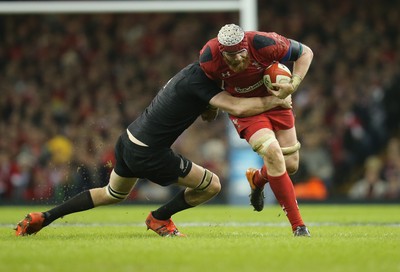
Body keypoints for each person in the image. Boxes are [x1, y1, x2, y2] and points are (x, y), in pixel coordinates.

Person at [15, 62, 292, 237]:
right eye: (230, 62)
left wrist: (210, 106)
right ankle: (159, 218)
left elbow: (206, 112)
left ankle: (45, 217)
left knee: (111, 194)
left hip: (128, 140)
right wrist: (279, 100)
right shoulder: (200, 83)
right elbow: (240, 108)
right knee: (212, 186)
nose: (235, 65)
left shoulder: (191, 75)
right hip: (149, 152)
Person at [199, 24, 314, 236]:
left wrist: (294, 84)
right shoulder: (209, 58)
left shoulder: (265, 43)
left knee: (290, 165)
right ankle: (299, 226)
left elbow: (306, 52)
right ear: (222, 54)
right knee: (272, 152)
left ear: (246, 48)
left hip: (277, 102)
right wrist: (209, 107)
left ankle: (258, 179)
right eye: (230, 59)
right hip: (247, 111)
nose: (237, 63)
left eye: (241, 57)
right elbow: (207, 85)